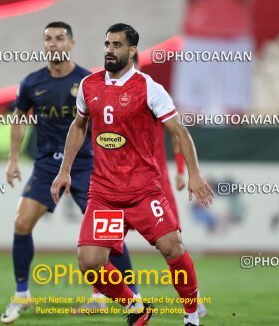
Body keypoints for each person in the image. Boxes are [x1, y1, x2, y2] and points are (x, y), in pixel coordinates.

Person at [51, 23, 214, 326]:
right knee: (90, 264)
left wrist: (193, 174)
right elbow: (79, 125)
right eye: (107, 44)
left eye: (116, 45)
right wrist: (65, 171)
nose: (109, 51)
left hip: (143, 191)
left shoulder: (149, 88)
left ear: (132, 50)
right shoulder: (89, 86)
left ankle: (192, 315)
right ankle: (136, 306)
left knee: (173, 248)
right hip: (105, 195)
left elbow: (179, 131)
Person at [2, 21, 140, 324]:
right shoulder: (31, 83)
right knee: (21, 222)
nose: (53, 43)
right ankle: (22, 295)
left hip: (87, 165)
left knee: (108, 235)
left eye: (60, 38)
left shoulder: (89, 81)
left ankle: (132, 297)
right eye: (48, 39)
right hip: (47, 164)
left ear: (72, 44)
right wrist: (13, 159)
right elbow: (19, 119)